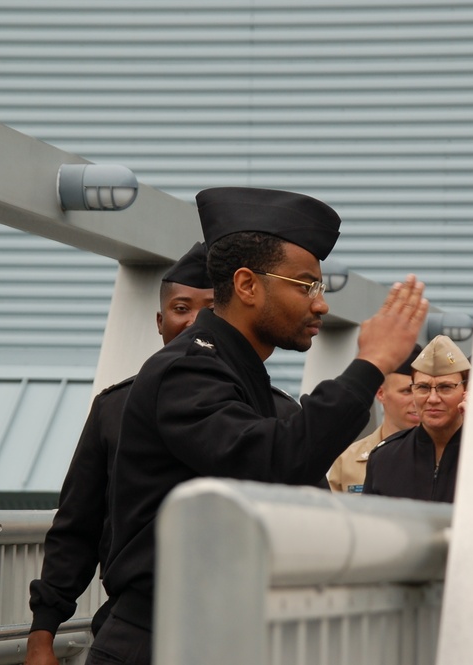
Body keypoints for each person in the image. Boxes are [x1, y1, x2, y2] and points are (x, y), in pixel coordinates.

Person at [89, 187, 428, 665]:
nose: (320, 305)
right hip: (162, 640)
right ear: (247, 285)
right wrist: (371, 363)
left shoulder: (235, 371)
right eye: (305, 285)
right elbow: (272, 459)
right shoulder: (187, 370)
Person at [26, 242, 295, 665]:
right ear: (159, 320)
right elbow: (77, 526)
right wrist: (43, 634)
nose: (193, 322)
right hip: (137, 628)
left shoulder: (279, 415)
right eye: (181, 308)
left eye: (207, 310)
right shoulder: (114, 407)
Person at [362, 334, 470, 503]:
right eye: (423, 387)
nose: (433, 398)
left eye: (446, 387)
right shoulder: (385, 457)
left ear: (466, 390)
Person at [327, 343, 422, 493]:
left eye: (422, 390)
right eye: (406, 391)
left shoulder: (445, 455)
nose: (417, 400)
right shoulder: (348, 461)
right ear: (380, 394)